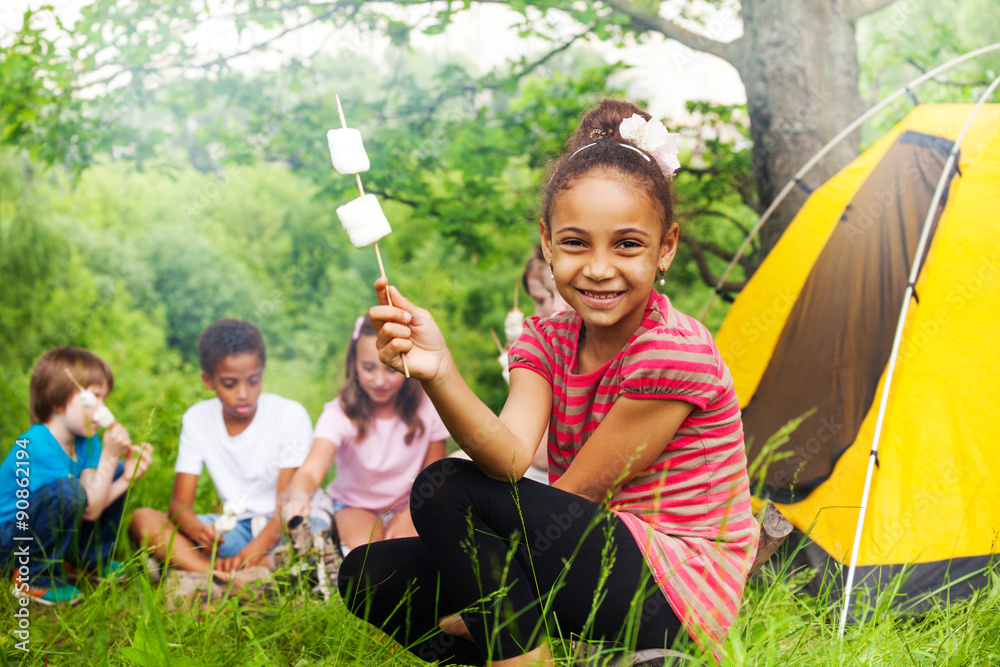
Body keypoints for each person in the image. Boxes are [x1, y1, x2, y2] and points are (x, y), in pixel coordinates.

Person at [339, 99, 760, 666]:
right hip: (585, 562)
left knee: (443, 488)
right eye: (576, 242)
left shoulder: (673, 351)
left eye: (628, 244)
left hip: (676, 590)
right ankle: (587, 657)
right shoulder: (546, 339)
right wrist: (440, 372)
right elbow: (510, 457)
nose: (599, 267)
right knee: (369, 575)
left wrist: (487, 597)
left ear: (667, 247)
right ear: (547, 241)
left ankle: (524, 656)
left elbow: (579, 493)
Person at [129, 319, 314, 575]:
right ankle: (218, 573)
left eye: (253, 380)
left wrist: (253, 551)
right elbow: (180, 505)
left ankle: (205, 570)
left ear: (262, 372)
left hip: (284, 529)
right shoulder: (196, 419)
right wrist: (198, 530)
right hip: (233, 530)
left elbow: (285, 506)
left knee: (307, 540)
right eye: (229, 383)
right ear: (208, 380)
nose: (243, 393)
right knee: (142, 520)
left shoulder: (290, 415)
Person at [281, 315, 448, 553]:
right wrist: (298, 498)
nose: (379, 381)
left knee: (404, 550)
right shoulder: (340, 413)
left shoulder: (427, 407)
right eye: (368, 368)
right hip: (353, 507)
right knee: (367, 552)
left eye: (391, 369)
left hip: (411, 505)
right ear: (354, 363)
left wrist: (412, 515)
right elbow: (311, 470)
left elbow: (435, 473)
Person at [0, 347, 153, 605]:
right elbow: (88, 507)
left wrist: (126, 477)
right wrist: (110, 455)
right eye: (93, 399)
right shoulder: (37, 445)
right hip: (12, 541)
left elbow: (93, 498)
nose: (104, 410)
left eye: (105, 400)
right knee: (68, 492)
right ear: (57, 400)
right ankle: (34, 578)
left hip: (45, 527)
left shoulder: (86, 440)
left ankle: (87, 558)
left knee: (111, 474)